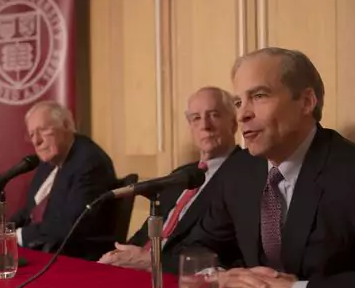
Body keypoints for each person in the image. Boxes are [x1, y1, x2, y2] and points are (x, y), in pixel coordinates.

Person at [180, 48, 355, 288]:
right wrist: (217, 276)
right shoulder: (239, 171)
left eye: (259, 96)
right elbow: (195, 247)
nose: (242, 115)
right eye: (238, 102)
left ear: (306, 102)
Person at [98, 86, 241, 272]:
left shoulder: (244, 171)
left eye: (214, 115)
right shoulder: (182, 174)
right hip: (141, 271)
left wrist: (153, 262)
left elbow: (217, 250)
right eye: (196, 118)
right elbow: (145, 234)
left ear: (233, 124)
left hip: (180, 276)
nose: (205, 125)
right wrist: (120, 254)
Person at [10, 101, 117, 256]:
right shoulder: (49, 161)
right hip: (42, 249)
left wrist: (17, 236)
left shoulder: (90, 162)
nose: (36, 141)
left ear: (66, 125)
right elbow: (30, 210)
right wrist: (5, 230)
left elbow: (71, 224)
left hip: (74, 257)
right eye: (32, 134)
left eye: (43, 130)